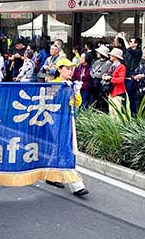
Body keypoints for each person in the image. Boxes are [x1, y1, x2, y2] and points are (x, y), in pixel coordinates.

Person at [47, 58, 89, 197]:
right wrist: (62, 89)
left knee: (60, 148)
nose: (70, 71)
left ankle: (51, 176)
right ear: (59, 70)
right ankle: (76, 184)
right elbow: (49, 99)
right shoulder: (53, 84)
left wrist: (76, 92)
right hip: (56, 119)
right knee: (65, 149)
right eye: (67, 68)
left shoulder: (72, 84)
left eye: (72, 69)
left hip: (68, 120)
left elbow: (77, 104)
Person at [102, 48, 126, 117]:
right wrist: (105, 76)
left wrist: (110, 78)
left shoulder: (121, 67)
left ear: (116, 57)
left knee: (117, 113)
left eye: (111, 55)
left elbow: (121, 80)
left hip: (118, 92)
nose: (110, 56)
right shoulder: (112, 66)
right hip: (111, 91)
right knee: (111, 112)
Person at [89, 45, 112, 110]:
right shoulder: (96, 61)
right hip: (94, 82)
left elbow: (101, 74)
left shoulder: (108, 63)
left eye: (98, 52)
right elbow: (91, 70)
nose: (97, 53)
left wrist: (94, 74)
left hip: (100, 83)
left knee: (101, 99)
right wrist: (93, 75)